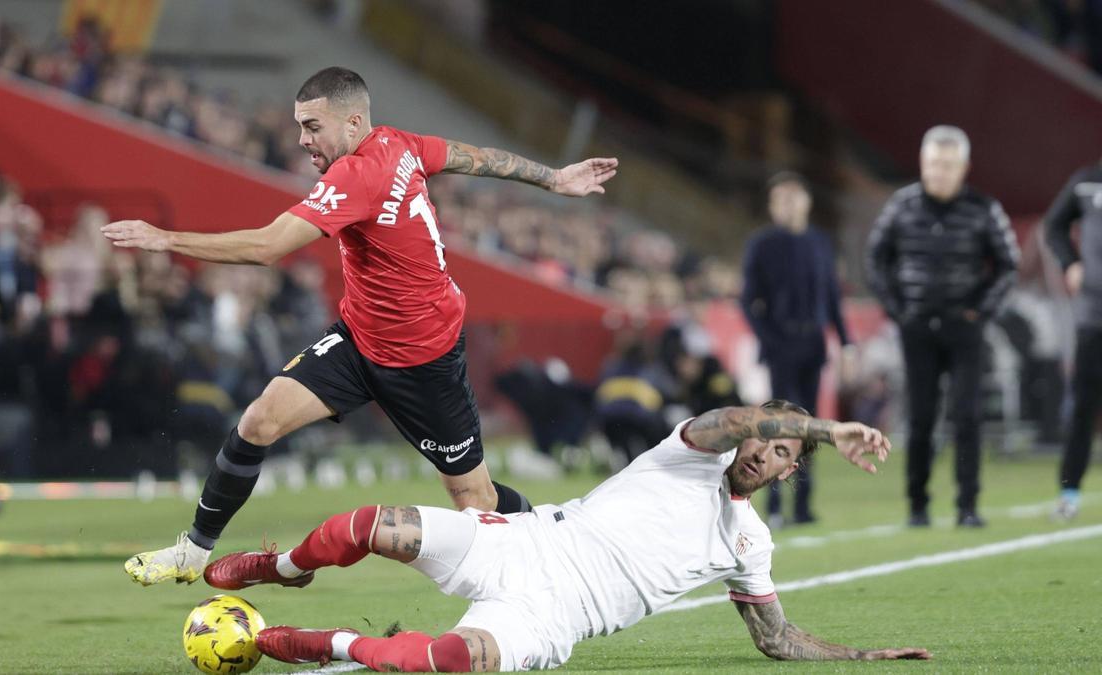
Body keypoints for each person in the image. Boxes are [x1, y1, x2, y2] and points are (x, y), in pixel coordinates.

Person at [103, 67, 619, 585]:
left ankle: (556, 537)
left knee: (476, 502)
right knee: (259, 421)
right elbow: (474, 158)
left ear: (352, 122)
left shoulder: (357, 175)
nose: (303, 140)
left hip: (426, 362)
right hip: (358, 341)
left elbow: (267, 248)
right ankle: (194, 552)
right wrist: (552, 178)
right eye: (300, 127)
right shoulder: (400, 144)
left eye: (312, 126)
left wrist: (165, 239)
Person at [201, 400, 929, 671]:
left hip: (554, 616)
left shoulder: (750, 542)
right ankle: (285, 565)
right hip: (528, 540)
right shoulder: (692, 452)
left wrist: (865, 653)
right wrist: (826, 425)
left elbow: (776, 638)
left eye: (782, 453)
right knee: (363, 525)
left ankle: (322, 644)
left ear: (788, 470)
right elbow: (736, 421)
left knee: (451, 659)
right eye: (767, 435)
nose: (763, 451)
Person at [866, 125, 1019, 528]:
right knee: (919, 418)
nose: (940, 172)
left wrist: (979, 312)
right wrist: (898, 310)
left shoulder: (984, 208)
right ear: (922, 162)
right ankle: (917, 506)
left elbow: (1008, 265)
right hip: (916, 328)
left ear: (964, 167)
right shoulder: (901, 205)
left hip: (964, 329)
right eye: (934, 163)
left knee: (968, 416)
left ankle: (968, 506)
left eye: (948, 165)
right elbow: (875, 260)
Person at [740, 172, 851, 526]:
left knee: (808, 425)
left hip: (813, 343)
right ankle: (773, 502)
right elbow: (747, 299)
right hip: (781, 343)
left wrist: (846, 342)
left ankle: (802, 504)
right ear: (772, 206)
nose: (787, 206)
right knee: (779, 425)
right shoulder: (762, 244)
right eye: (780, 200)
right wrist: (768, 337)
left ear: (806, 201)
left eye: (793, 198)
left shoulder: (820, 242)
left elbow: (832, 298)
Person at [1043, 158, 1102, 520]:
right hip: (1095, 318)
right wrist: (1070, 263)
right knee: (1082, 408)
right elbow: (1054, 226)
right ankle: (1069, 494)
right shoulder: (1087, 182)